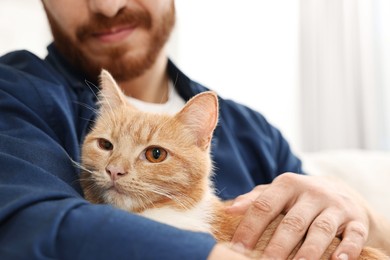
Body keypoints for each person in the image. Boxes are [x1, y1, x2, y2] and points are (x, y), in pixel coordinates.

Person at [0, 0, 389, 259]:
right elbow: (27, 225)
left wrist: (362, 214)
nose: (108, 4)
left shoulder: (252, 130)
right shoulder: (16, 93)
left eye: (154, 153)